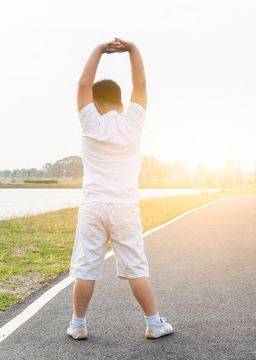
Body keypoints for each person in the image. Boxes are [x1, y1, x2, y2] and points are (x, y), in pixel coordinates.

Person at [67, 38, 173, 340]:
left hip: (94, 205)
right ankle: (154, 323)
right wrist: (133, 49)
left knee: (87, 267)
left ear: (93, 103)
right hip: (125, 206)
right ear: (122, 104)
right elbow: (140, 83)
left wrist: (100, 50)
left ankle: (78, 325)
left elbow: (82, 83)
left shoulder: (89, 122)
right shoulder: (133, 122)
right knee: (136, 266)